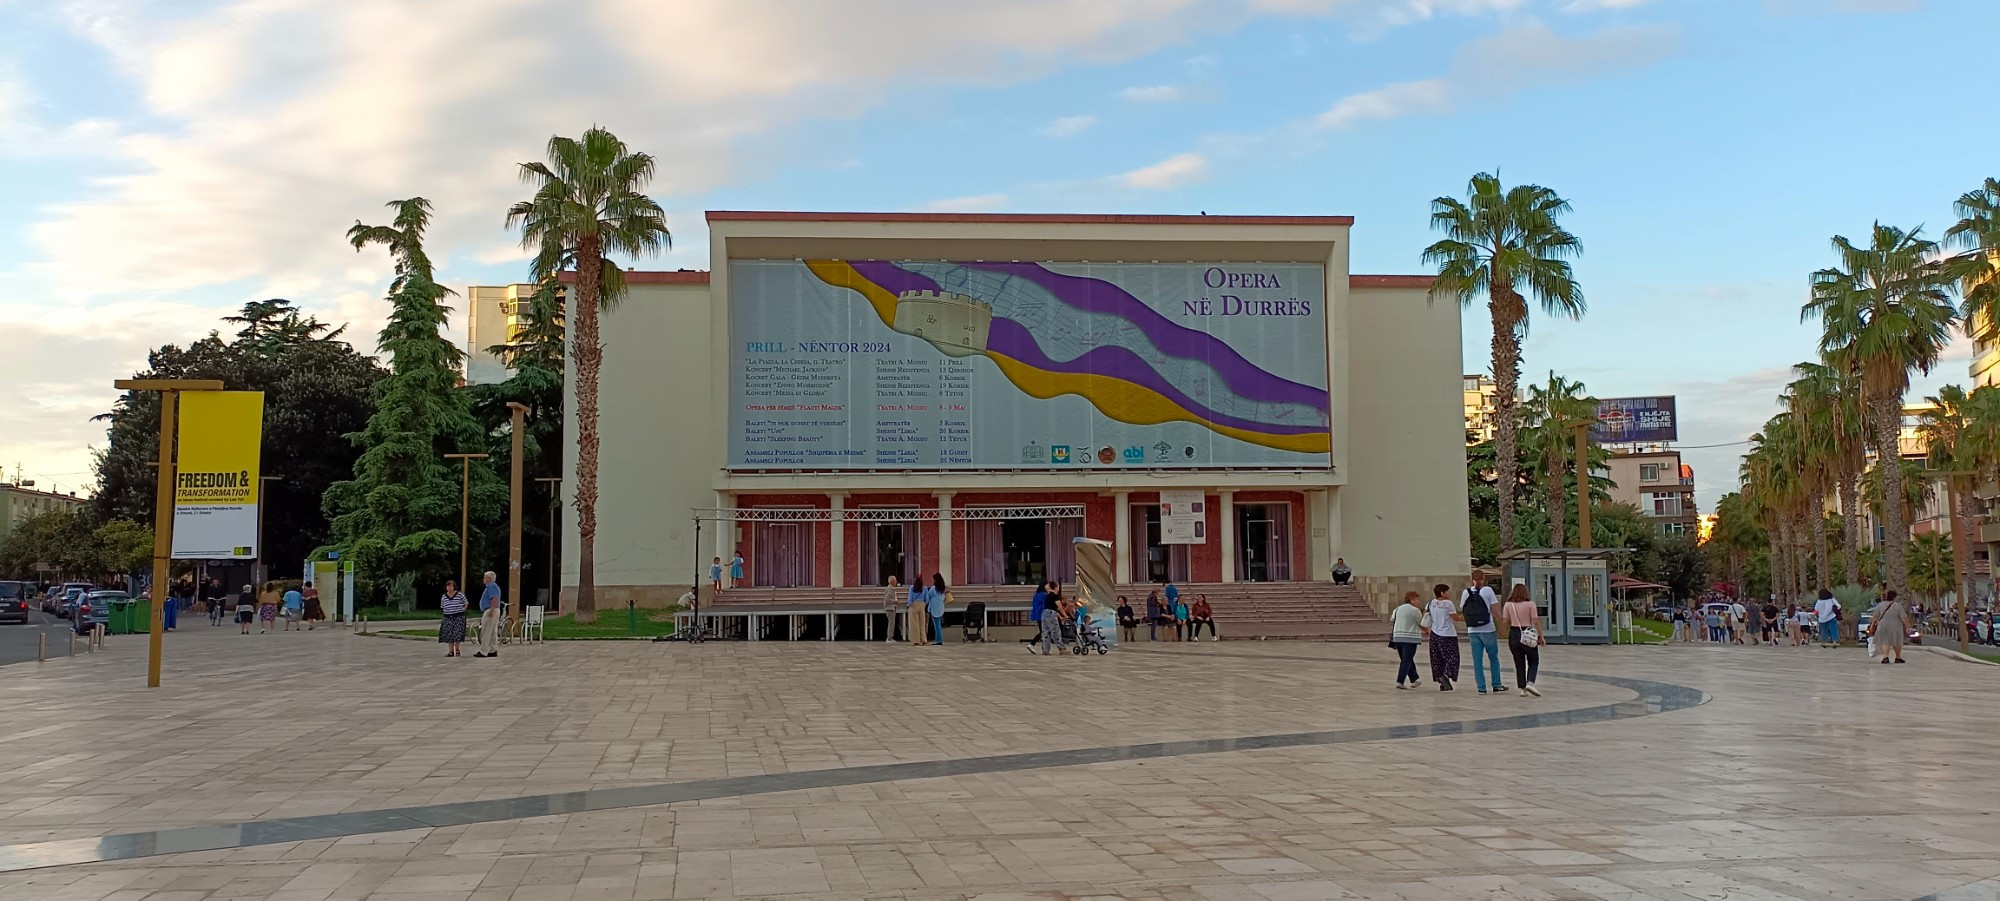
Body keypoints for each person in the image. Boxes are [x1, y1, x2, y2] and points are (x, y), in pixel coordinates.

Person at [1461, 576, 1505, 694]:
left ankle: (1481, 687)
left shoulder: (1466, 592)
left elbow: (1463, 609)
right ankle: (1496, 684)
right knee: (1493, 658)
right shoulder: (1488, 590)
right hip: (1488, 628)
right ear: (1484, 578)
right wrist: (1501, 625)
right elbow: (1495, 609)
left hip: (1472, 630)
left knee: (1477, 660)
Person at [1501, 583, 1543, 696]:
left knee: (1519, 662)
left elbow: (1505, 621)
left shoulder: (1508, 605)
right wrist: (1541, 636)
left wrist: (1502, 632)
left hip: (1514, 633)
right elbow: (1535, 620)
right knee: (1534, 660)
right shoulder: (1531, 604)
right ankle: (1530, 682)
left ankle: (1522, 688)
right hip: (1528, 633)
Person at [1423, 583, 1460, 692]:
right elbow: (1455, 617)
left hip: (1435, 634)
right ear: (1442, 593)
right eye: (1447, 591)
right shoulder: (1448, 604)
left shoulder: (1431, 603)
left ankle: (1440, 678)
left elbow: (1425, 614)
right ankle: (1446, 675)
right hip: (1448, 634)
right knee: (1452, 657)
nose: (1449, 593)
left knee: (1437, 658)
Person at [1390, 591, 1423, 688]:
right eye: (1417, 599)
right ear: (1411, 600)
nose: (1419, 602)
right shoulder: (1415, 610)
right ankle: (1400, 681)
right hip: (1410, 638)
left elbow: (1392, 621)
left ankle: (1414, 679)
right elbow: (1422, 623)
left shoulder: (1397, 609)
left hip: (1398, 637)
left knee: (1407, 659)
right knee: (1406, 660)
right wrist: (1426, 630)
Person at [1869, 589, 1909, 664]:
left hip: (1883, 625)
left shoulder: (1880, 605)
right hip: (1895, 625)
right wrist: (1908, 626)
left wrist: (1871, 626)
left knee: (1885, 641)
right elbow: (1903, 617)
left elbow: (1875, 616)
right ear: (1895, 597)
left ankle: (1885, 657)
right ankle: (1898, 657)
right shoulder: (1897, 605)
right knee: (1897, 641)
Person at [1032, 581, 1065, 655]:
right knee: (1055, 631)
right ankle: (1062, 648)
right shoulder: (1053, 596)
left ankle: (1045, 650)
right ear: (1056, 587)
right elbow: (1059, 607)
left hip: (1044, 614)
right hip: (1051, 614)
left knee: (1045, 632)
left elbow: (1050, 607)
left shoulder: (1046, 595)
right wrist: (1064, 615)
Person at [475, 571, 502, 658]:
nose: (483, 579)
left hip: (490, 610)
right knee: (493, 631)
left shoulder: (491, 586)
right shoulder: (494, 586)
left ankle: (483, 651)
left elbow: (494, 598)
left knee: (486, 631)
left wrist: (491, 610)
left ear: (489, 579)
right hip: (495, 610)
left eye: (485, 577)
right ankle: (492, 649)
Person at [439, 580, 469, 658]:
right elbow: (442, 606)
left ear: (454, 587)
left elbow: (466, 603)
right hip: (448, 617)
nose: (449, 588)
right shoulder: (444, 596)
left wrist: (462, 610)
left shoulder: (459, 595)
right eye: (448, 586)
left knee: (457, 634)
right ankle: (451, 651)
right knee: (449, 635)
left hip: (458, 617)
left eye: (451, 586)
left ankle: (457, 650)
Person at [924, 574, 947, 646]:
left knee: (937, 625)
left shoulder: (934, 589)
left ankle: (939, 640)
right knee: (938, 624)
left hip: (935, 609)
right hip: (940, 608)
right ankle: (938, 639)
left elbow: (928, 596)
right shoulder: (942, 589)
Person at [881, 576, 903, 643]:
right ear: (892, 581)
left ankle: (890, 637)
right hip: (889, 608)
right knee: (891, 623)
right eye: (895, 580)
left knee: (892, 623)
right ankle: (889, 638)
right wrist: (894, 601)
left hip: (892, 607)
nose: (896, 582)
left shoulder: (892, 589)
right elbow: (887, 599)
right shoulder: (889, 589)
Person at [905, 580, 926, 647]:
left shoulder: (912, 588)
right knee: (922, 623)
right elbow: (927, 598)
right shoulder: (924, 588)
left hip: (914, 605)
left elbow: (910, 599)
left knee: (914, 624)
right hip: (922, 604)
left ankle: (916, 640)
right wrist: (924, 604)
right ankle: (923, 639)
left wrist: (909, 604)